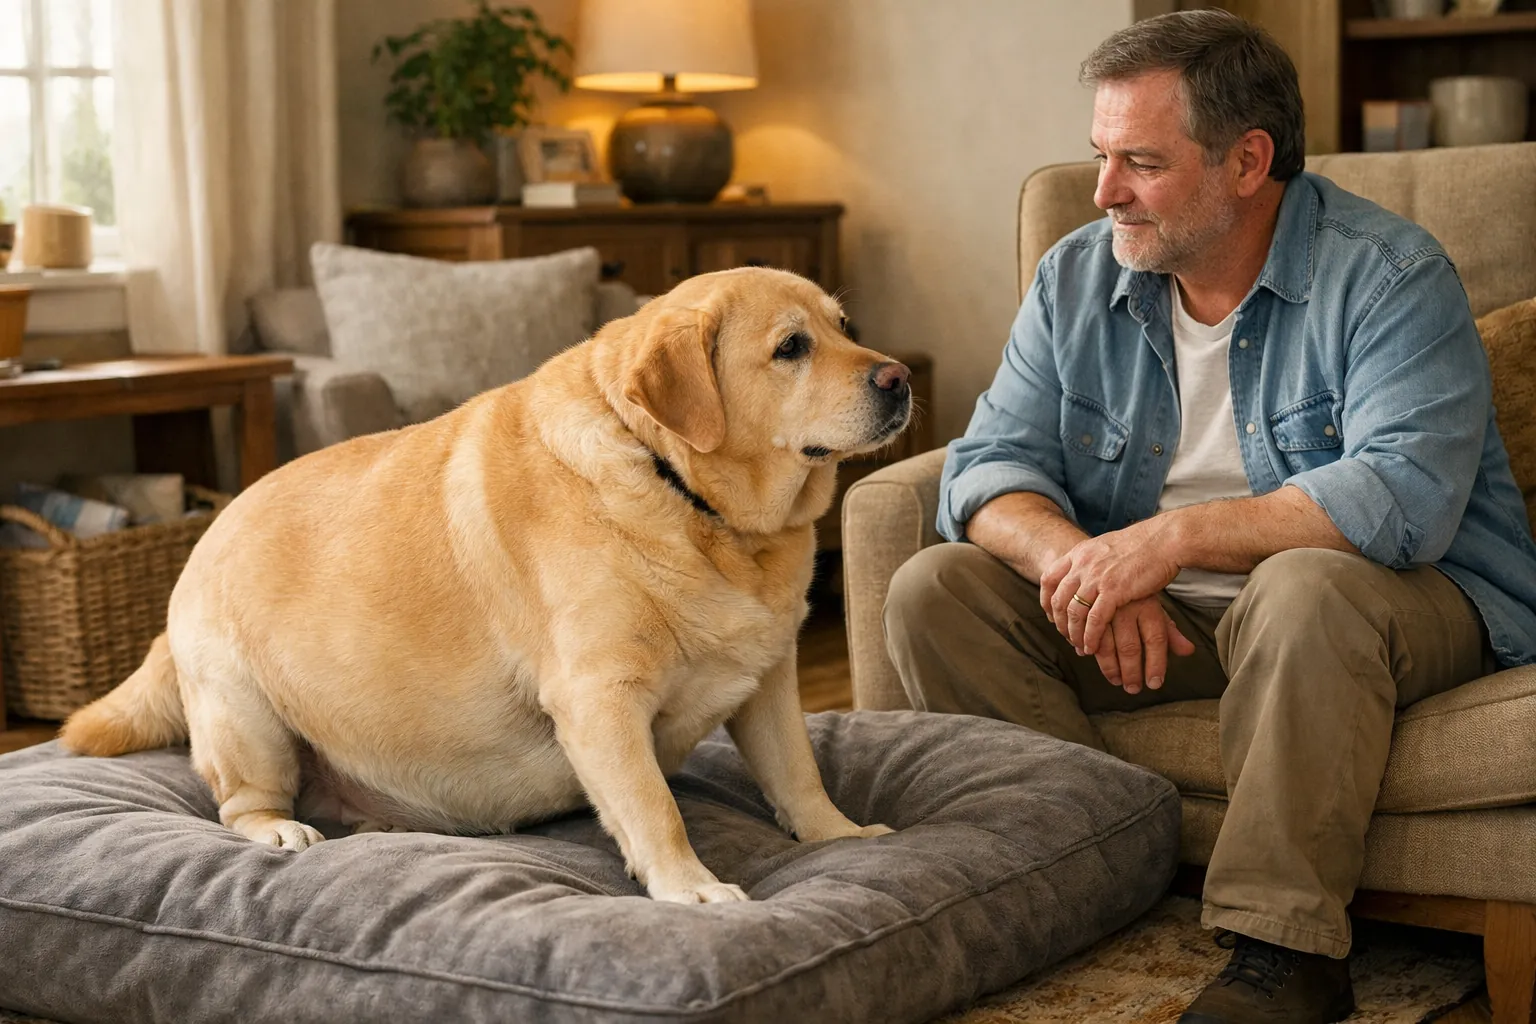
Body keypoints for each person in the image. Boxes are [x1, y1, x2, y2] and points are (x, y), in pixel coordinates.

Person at [882, 10, 1536, 1024]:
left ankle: (1286, 948)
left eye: (1139, 161)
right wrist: (1089, 568)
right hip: (1171, 623)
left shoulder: (1390, 274)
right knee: (937, 587)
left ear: (1247, 161)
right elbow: (987, 469)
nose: (1104, 193)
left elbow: (1403, 501)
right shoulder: (1077, 275)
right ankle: (1076, 880)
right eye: (1101, 156)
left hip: (1394, 608)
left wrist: (1169, 541)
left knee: (1303, 587)